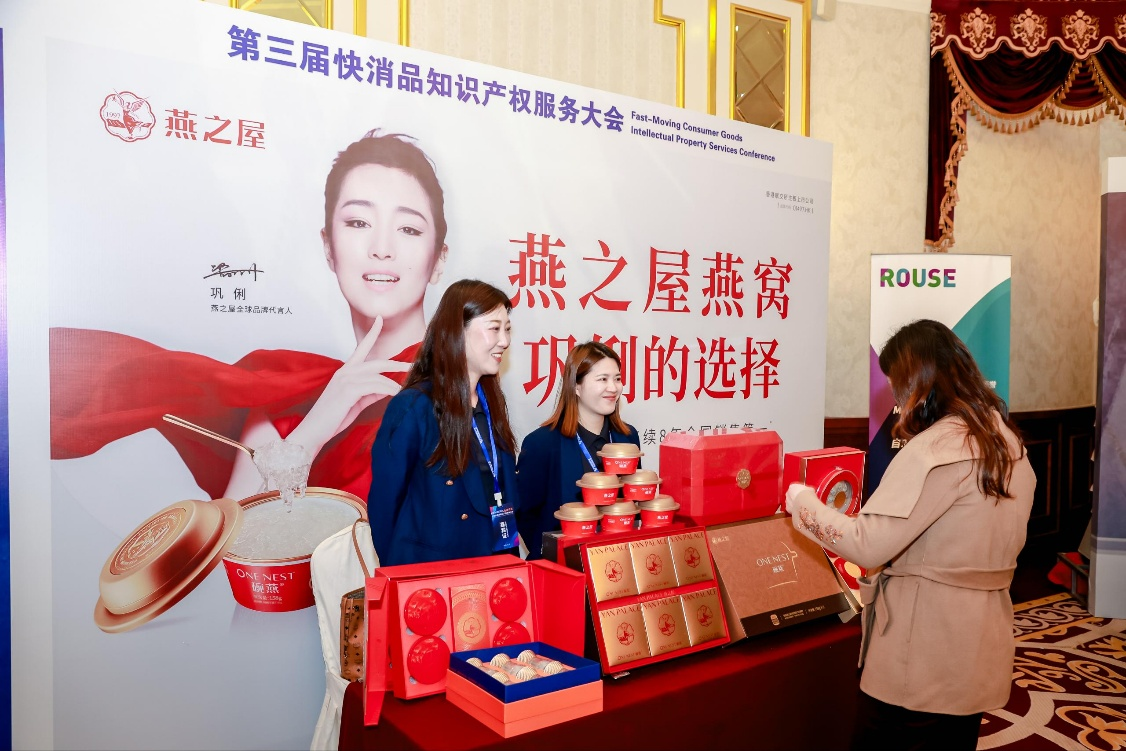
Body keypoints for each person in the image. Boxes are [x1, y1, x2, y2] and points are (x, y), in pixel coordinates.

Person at [49, 130, 449, 503]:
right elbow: (235, 541)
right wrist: (316, 428)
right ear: (329, 247)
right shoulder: (287, 403)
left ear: (439, 260)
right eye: (358, 222)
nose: (382, 247)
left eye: (409, 229)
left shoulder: (460, 386)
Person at [784, 319, 1035, 751]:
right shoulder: (1005, 441)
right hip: (978, 642)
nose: (897, 400)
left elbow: (867, 543)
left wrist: (803, 504)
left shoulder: (934, 451)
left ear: (918, 382)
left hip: (923, 652)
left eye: (897, 387)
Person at [368, 279, 520, 565]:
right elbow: (385, 506)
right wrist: (404, 576)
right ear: (457, 331)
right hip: (433, 576)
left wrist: (510, 563)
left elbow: (502, 492)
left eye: (508, 329)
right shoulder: (414, 407)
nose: (505, 341)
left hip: (493, 565)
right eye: (494, 328)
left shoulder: (491, 403)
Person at [516, 341, 640, 559]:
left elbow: (633, 500)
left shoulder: (627, 438)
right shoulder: (542, 443)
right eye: (602, 379)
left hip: (617, 560)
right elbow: (525, 513)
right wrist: (551, 552)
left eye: (617, 378)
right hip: (564, 564)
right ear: (576, 386)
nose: (613, 388)